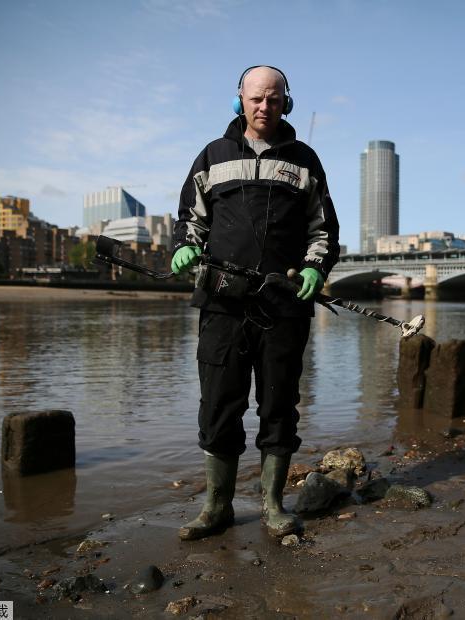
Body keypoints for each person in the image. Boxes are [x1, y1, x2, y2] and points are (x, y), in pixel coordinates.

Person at [170, 66, 340, 540]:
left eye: (274, 98)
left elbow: (323, 229)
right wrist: (184, 244)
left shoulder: (306, 160)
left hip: (283, 310)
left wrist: (314, 268)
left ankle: (272, 505)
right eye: (255, 98)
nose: (264, 106)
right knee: (220, 405)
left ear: (287, 102)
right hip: (222, 306)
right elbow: (190, 218)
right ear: (238, 101)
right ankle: (216, 507)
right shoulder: (211, 156)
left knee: (279, 405)